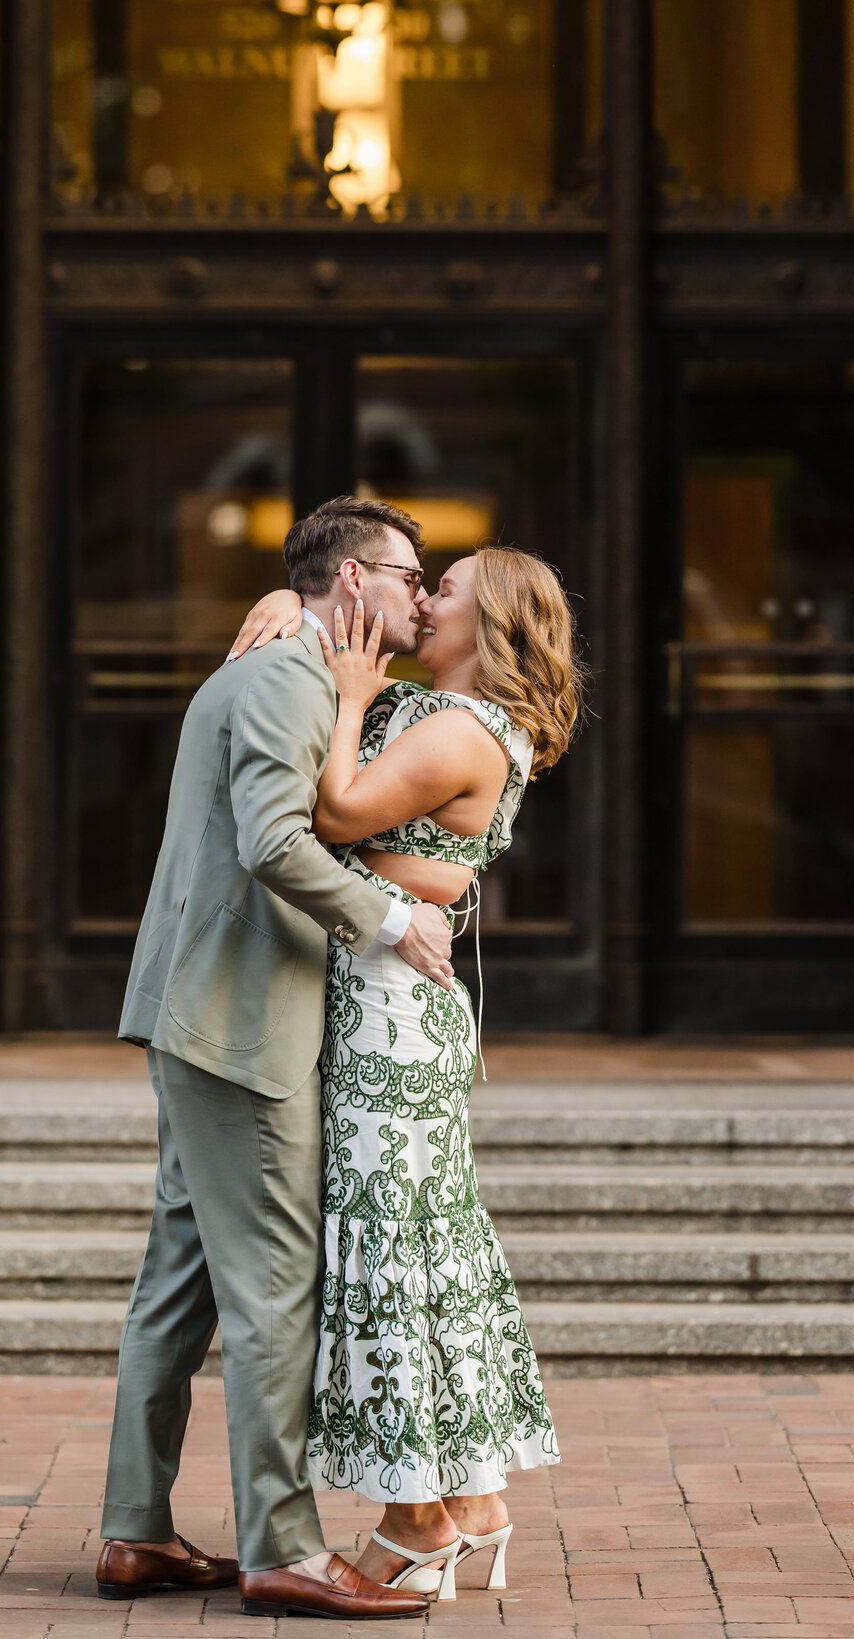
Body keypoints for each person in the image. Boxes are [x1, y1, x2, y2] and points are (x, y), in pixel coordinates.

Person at [95, 497, 458, 1621]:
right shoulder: (285, 678)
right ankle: (283, 1548)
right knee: (274, 1291)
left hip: (206, 1016)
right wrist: (392, 920)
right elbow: (271, 839)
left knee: (182, 1280)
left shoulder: (284, 668)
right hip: (241, 1026)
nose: (419, 589)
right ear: (353, 580)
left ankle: (135, 1532)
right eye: (408, 573)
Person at [228, 540, 581, 1600]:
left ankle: (416, 1517)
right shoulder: (429, 705)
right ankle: (469, 1502)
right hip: (375, 982)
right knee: (413, 1241)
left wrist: (344, 700)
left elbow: (334, 813)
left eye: (450, 591)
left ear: (495, 623)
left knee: (393, 1245)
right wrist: (281, 600)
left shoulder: (463, 727)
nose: (426, 601)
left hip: (395, 1009)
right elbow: (326, 603)